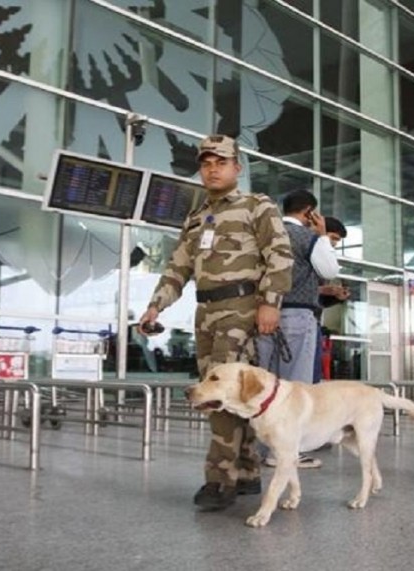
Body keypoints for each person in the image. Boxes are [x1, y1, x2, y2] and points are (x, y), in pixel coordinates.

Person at [138, 134, 293, 511]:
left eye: (221, 162)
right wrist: (155, 306)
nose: (212, 169)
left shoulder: (257, 205)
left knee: (217, 394)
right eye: (206, 164)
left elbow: (280, 254)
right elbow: (177, 268)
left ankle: (220, 480)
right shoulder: (196, 218)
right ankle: (248, 471)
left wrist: (270, 303)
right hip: (206, 312)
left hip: (241, 308)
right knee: (234, 394)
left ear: (237, 168)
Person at [257, 190, 339, 469]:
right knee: (295, 389)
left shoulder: (266, 234)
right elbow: (329, 270)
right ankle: (286, 453)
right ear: (309, 212)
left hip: (263, 313)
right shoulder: (308, 237)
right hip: (297, 315)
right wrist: (323, 236)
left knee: (267, 385)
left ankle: (262, 448)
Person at [313, 216, 349, 384]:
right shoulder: (308, 252)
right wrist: (322, 290)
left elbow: (317, 300)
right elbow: (292, 287)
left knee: (315, 372)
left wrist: (335, 298)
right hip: (299, 317)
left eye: (337, 241)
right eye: (333, 238)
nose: (334, 244)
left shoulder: (322, 260)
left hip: (314, 321)